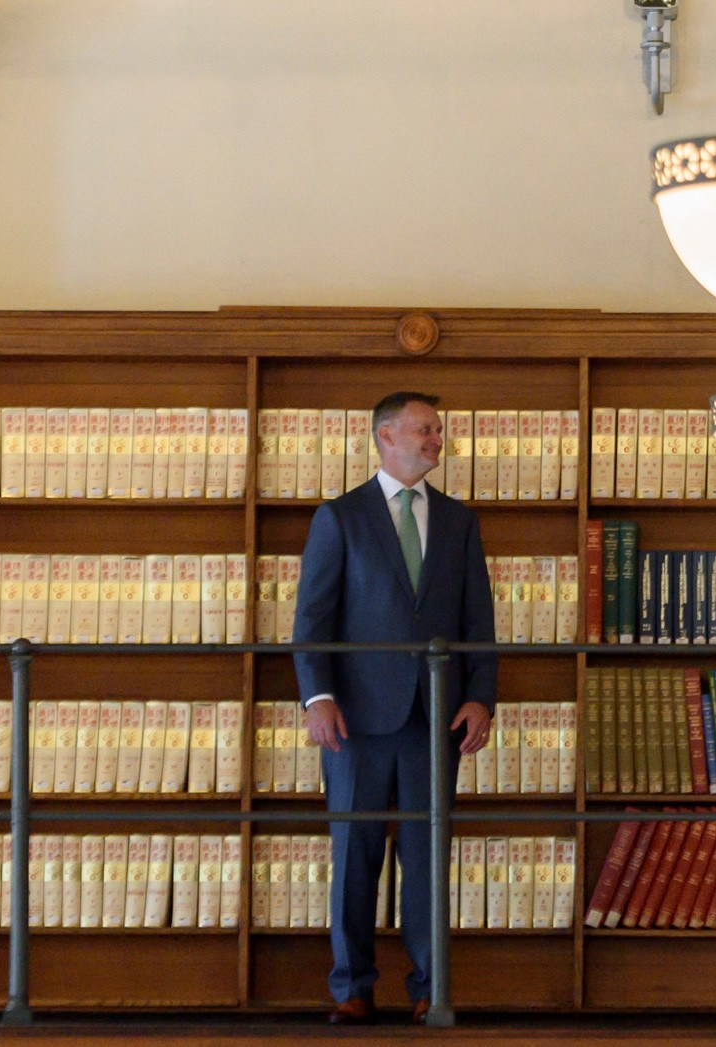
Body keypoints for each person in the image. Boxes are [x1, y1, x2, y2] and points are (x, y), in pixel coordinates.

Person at [295, 390, 496, 1025]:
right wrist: (317, 697)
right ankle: (351, 987)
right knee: (355, 854)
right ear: (385, 436)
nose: (437, 441)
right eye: (425, 431)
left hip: (436, 716)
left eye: (438, 432)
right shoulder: (340, 517)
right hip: (355, 719)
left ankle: (428, 989)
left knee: (427, 858)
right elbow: (312, 617)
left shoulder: (460, 521)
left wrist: (480, 696)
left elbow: (478, 621)